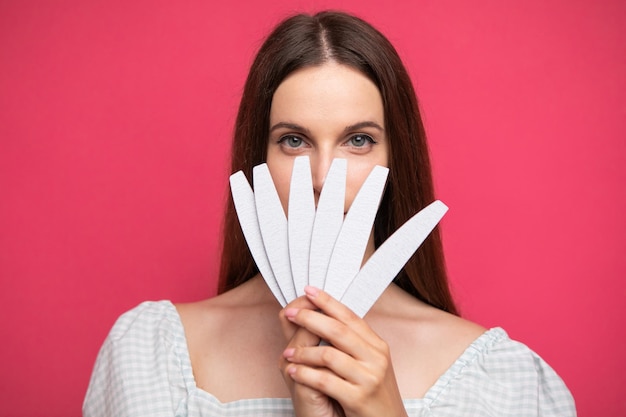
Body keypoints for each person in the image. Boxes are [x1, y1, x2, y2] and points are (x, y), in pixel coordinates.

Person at [83, 11, 576, 417]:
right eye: (293, 141)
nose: (322, 177)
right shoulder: (146, 356)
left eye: (357, 140)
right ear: (257, 160)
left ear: (395, 159)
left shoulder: (506, 382)